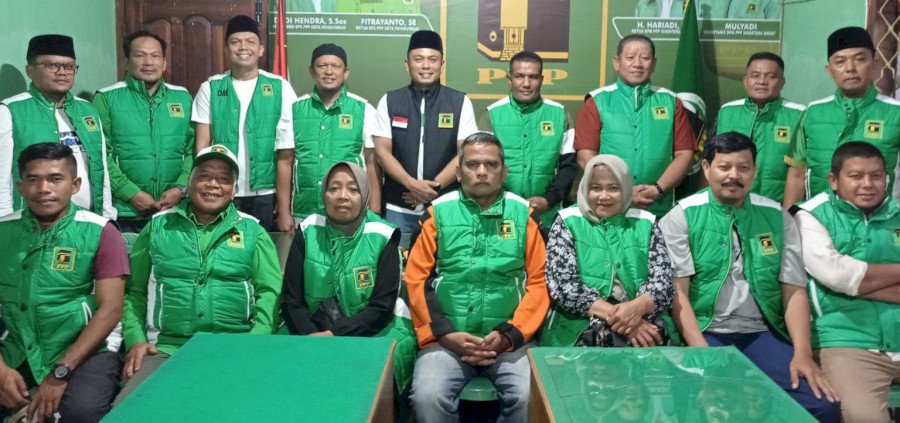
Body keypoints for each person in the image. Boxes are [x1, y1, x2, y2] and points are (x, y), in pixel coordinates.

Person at [660, 131, 840, 421]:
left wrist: (803, 354)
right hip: (707, 331)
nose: (734, 175)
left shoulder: (777, 216)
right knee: (715, 402)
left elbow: (793, 289)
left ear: (754, 170)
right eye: (724, 167)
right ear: (706, 168)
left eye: (743, 167)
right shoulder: (681, 216)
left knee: (822, 405)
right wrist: (703, 354)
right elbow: (678, 294)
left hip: (762, 332)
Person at [116, 144, 282, 404]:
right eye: (204, 176)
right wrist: (136, 340)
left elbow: (270, 293)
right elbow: (134, 292)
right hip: (167, 348)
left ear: (233, 190)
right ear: (189, 184)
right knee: (130, 409)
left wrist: (255, 343)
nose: (213, 184)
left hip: (236, 346)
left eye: (223, 179)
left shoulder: (254, 232)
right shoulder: (158, 227)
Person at [404, 132, 550, 422]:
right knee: (426, 398)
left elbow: (540, 282)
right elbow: (416, 280)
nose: (482, 171)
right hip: (447, 340)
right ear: (458, 173)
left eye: (491, 164)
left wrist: (509, 335)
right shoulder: (435, 215)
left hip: (512, 342)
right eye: (472, 164)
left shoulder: (525, 216)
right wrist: (445, 334)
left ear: (504, 172)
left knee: (529, 397)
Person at [0, 143, 127, 421]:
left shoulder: (101, 231)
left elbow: (111, 310)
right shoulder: (3, 231)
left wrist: (61, 372)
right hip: (17, 347)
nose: (44, 188)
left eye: (55, 178)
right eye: (34, 179)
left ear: (75, 185)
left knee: (82, 411)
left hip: (85, 348)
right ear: (20, 187)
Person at [280, 161, 416, 393]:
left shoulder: (383, 234)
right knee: (284, 365)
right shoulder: (308, 229)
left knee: (369, 374)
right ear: (324, 195)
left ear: (365, 195)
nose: (342, 196)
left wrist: (333, 335)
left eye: (353, 189)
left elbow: (381, 308)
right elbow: (292, 299)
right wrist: (312, 336)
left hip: (376, 328)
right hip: (311, 328)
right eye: (334, 188)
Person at [793, 141, 900, 423]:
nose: (868, 184)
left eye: (876, 176)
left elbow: (846, 279)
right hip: (848, 342)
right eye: (856, 176)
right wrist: (849, 283)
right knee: (865, 418)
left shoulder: (897, 212)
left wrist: (859, 286)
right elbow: (837, 276)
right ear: (834, 180)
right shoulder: (808, 215)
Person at [540, 154, 673, 348]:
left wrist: (636, 309)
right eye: (596, 188)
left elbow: (663, 284)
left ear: (626, 188)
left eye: (613, 188)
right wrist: (626, 321)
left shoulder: (646, 222)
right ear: (585, 187)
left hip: (644, 321)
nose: (604, 196)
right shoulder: (567, 221)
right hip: (579, 328)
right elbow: (564, 287)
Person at [192, 15, 296, 231]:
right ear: (226, 48)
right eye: (235, 42)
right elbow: (202, 148)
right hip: (222, 190)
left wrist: (284, 209)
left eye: (250, 41)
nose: (243, 47)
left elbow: (287, 153)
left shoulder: (280, 88)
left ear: (261, 49)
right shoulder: (210, 88)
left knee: (266, 250)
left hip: (267, 194)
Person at [574, 34, 696, 216]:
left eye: (645, 58)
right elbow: (585, 156)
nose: (637, 64)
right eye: (630, 57)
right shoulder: (596, 101)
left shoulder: (671, 102)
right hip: (609, 208)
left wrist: (657, 189)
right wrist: (622, 192)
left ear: (653, 64)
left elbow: (684, 155)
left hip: (659, 209)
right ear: (616, 62)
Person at [372, 30, 479, 238]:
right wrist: (412, 184)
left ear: (442, 64)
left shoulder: (460, 102)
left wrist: (432, 189)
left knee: (446, 258)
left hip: (445, 205)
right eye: (418, 59)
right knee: (399, 259)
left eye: (432, 59)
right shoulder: (390, 100)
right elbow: (382, 152)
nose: (426, 66)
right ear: (407, 64)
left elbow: (465, 152)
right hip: (399, 206)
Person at [0, 34, 116, 219]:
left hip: (86, 221)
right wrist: (5, 223)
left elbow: (101, 170)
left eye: (69, 66)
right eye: (52, 65)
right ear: (30, 70)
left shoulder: (87, 110)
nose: (62, 72)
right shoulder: (10, 111)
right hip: (32, 224)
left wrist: (107, 215)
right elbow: (2, 177)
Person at [784, 26, 900, 207]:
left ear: (875, 64)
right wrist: (789, 219)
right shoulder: (813, 113)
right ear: (829, 70)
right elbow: (796, 174)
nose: (850, 68)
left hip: (879, 220)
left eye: (860, 59)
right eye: (840, 61)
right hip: (819, 218)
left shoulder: (895, 113)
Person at [94, 30, 194, 233]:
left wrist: (180, 188)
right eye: (140, 55)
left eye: (155, 56)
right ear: (126, 62)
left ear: (164, 63)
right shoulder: (106, 98)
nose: (149, 62)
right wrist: (131, 193)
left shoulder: (183, 97)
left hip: (175, 209)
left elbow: (193, 150)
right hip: (125, 212)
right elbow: (99, 154)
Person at [285, 43, 379, 228]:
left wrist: (374, 209)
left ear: (346, 72)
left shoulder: (364, 109)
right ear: (312, 71)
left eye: (336, 66)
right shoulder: (294, 109)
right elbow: (284, 162)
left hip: (351, 211)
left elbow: (371, 163)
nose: (328, 71)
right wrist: (283, 212)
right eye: (322, 66)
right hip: (304, 211)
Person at [483, 50, 577, 226]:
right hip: (502, 214)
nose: (526, 83)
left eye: (533, 77)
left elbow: (569, 167)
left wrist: (549, 199)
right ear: (509, 79)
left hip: (548, 216)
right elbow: (483, 169)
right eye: (519, 76)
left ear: (541, 79)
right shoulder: (492, 115)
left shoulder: (560, 115)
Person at [715, 52, 804, 203]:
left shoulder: (799, 115)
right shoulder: (727, 112)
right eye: (755, 75)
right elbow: (714, 161)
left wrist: (788, 213)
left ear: (782, 82)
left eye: (771, 76)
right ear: (745, 81)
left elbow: (798, 170)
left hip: (775, 207)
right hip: (730, 204)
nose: (762, 82)